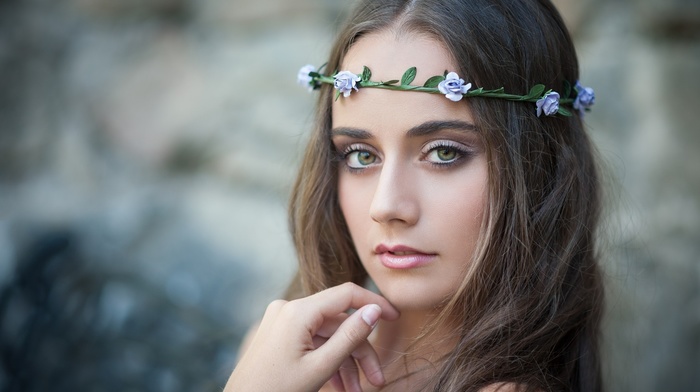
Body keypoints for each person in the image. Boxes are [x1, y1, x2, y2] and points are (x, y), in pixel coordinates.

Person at [227, 0, 603, 391]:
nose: (386, 206)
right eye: (360, 155)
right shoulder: (278, 357)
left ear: (536, 165)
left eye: (444, 152)